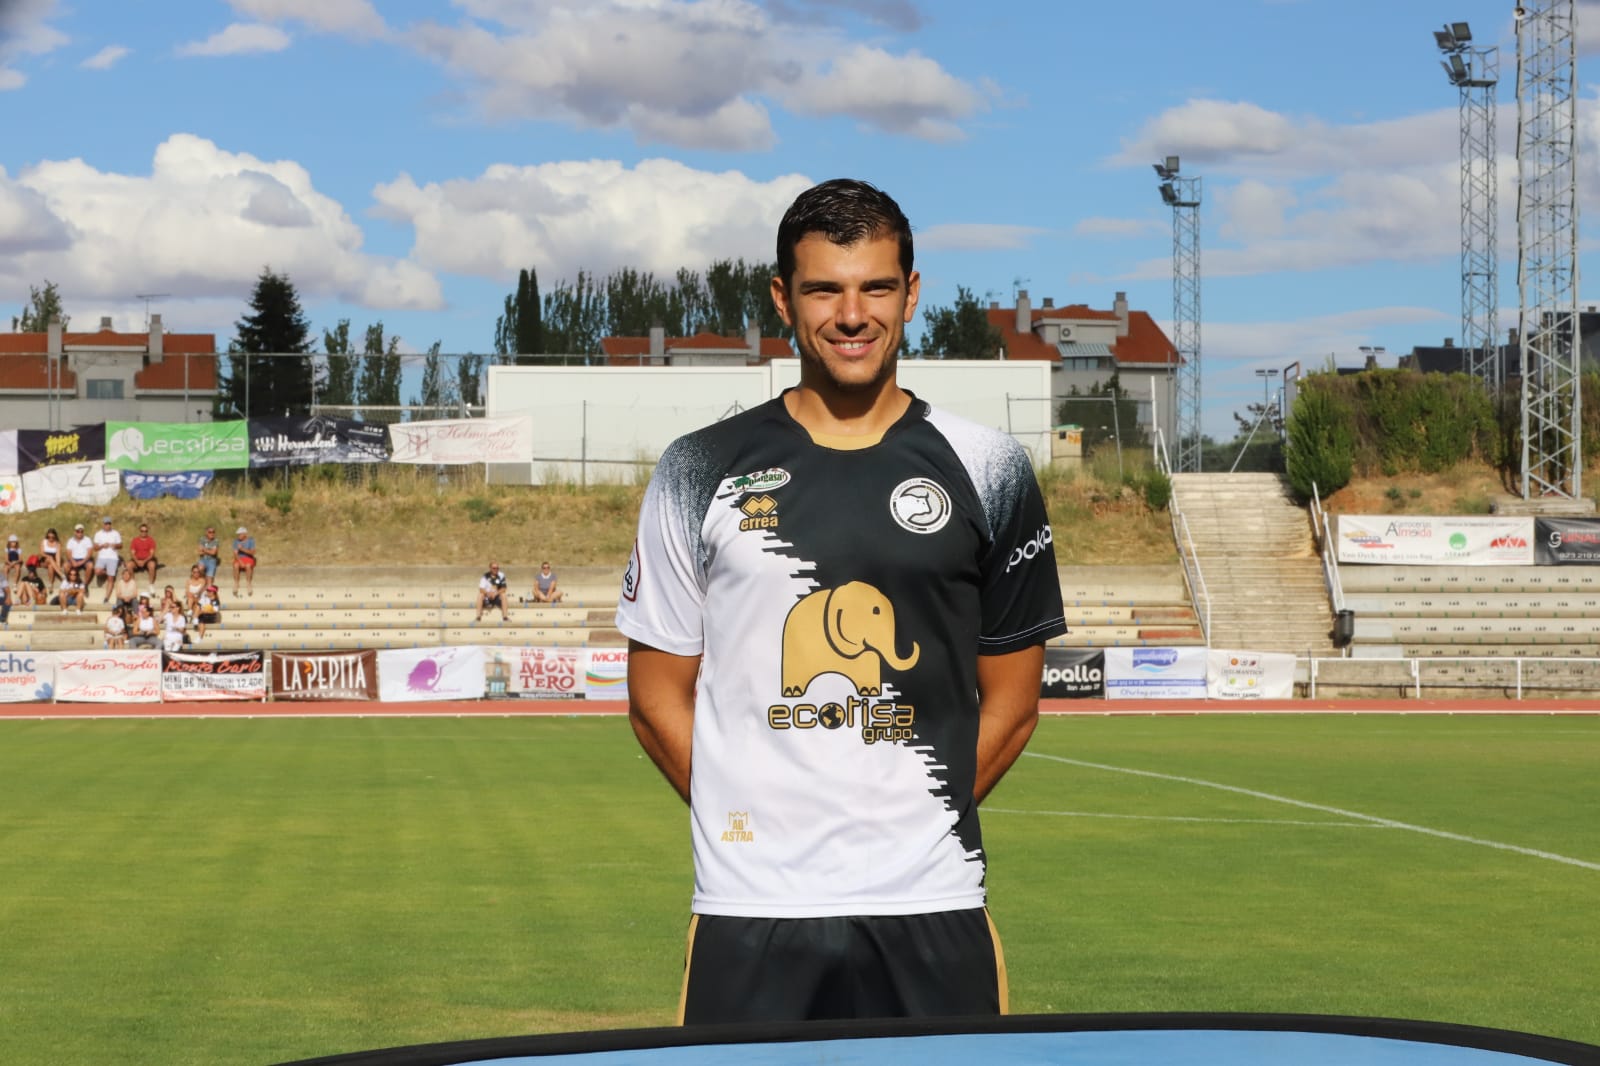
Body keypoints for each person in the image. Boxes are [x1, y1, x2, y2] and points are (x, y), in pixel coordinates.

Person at [616, 179, 1066, 1026]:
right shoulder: (696, 468)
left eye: (876, 287)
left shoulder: (990, 468)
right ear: (783, 298)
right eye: (825, 288)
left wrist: (916, 821)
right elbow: (654, 697)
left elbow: (1013, 698)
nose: (852, 315)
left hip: (930, 900)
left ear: (911, 293)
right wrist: (746, 822)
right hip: (752, 908)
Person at [92, 516, 122, 594]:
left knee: (110, 579)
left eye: (109, 524)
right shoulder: (98, 534)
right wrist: (102, 546)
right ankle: (108, 572)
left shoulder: (116, 533)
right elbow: (95, 548)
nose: (107, 525)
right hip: (102, 557)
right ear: (103, 524)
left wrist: (115, 545)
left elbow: (121, 545)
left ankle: (107, 597)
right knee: (97, 571)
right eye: (106, 524)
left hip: (113, 558)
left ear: (110, 524)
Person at [232, 526, 256, 596]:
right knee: (236, 565)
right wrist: (240, 561)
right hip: (239, 558)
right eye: (238, 534)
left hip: (248, 558)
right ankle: (236, 583)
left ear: (244, 534)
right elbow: (235, 553)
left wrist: (242, 549)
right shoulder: (236, 541)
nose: (238, 536)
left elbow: (252, 552)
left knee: (248, 566)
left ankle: (248, 583)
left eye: (240, 534)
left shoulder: (251, 541)